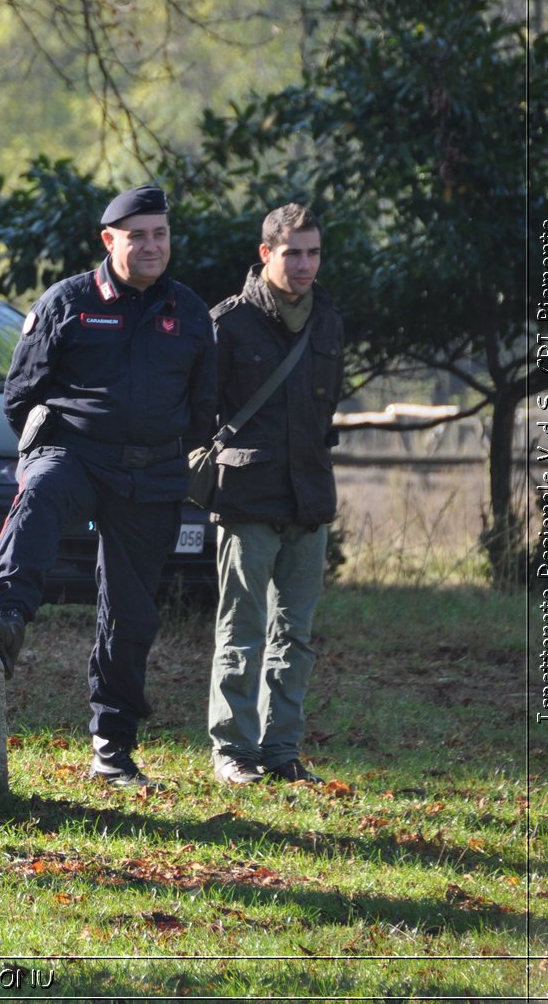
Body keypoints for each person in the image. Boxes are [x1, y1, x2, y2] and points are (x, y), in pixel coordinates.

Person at [0, 185, 216, 788]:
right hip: (75, 452)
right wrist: (46, 446)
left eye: (160, 234)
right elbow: (20, 394)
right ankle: (7, 619)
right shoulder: (68, 302)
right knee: (43, 490)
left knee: (130, 615)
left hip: (152, 472)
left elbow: (204, 408)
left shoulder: (191, 313)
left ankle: (113, 747)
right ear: (110, 241)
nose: (152, 246)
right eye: (138, 237)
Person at [205, 204, 343, 785]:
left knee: (297, 637)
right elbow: (200, 415)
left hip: (309, 498)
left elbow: (325, 409)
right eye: (293, 253)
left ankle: (282, 752)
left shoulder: (330, 319)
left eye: (313, 252)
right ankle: (233, 750)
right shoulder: (228, 323)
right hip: (246, 498)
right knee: (242, 630)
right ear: (267, 254)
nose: (306, 264)